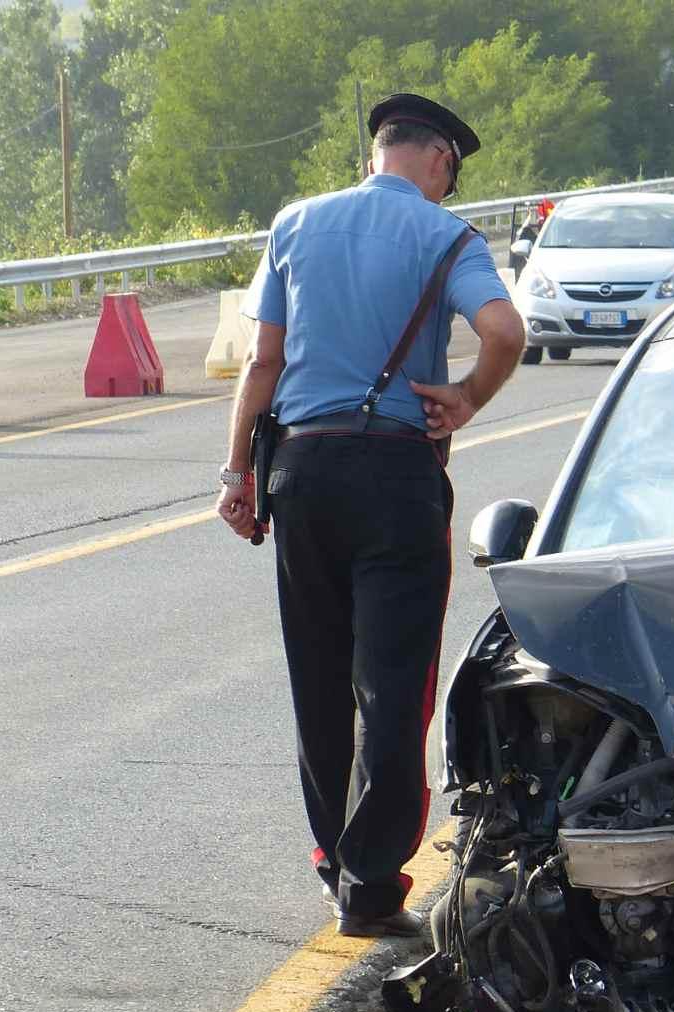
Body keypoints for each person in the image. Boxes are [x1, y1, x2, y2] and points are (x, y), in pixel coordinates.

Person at [216, 93, 526, 939]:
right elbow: (505, 330)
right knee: (393, 683)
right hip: (395, 477)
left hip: (303, 472)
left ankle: (330, 855)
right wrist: (465, 397)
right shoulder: (446, 236)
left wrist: (237, 469)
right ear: (436, 162)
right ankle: (371, 877)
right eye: (449, 176)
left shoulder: (296, 224)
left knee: (317, 672)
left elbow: (262, 360)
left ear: (375, 153)